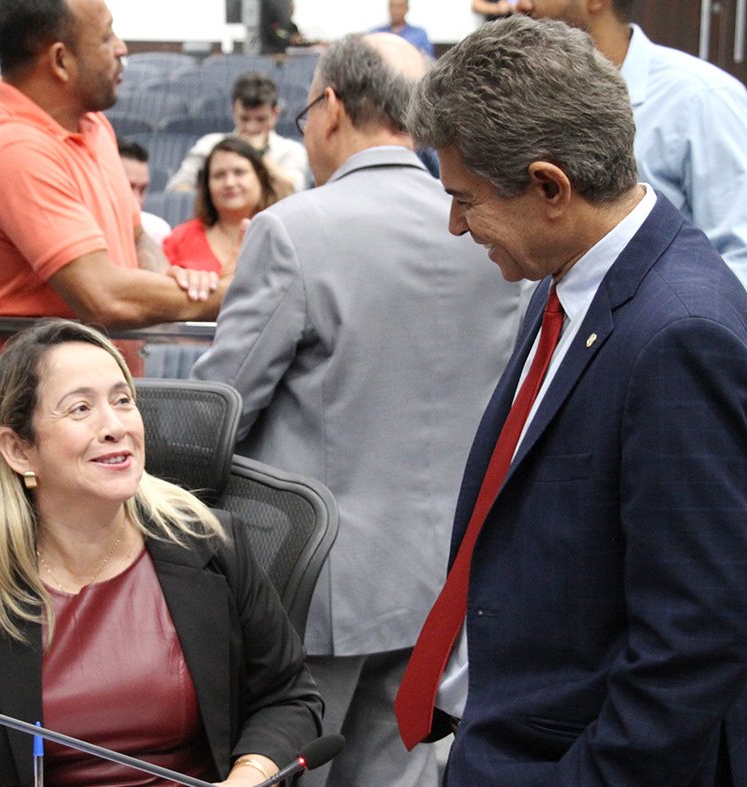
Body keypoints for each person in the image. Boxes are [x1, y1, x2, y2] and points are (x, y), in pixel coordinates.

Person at [393, 17, 747, 785]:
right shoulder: (569, 277)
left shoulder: (680, 337)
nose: (455, 224)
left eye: (465, 199)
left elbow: (698, 640)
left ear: (549, 187)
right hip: (506, 730)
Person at [191, 32, 524, 787]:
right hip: (444, 574)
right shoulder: (487, 224)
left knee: (283, 769)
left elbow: (220, 412)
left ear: (331, 107)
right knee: (399, 772)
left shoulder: (293, 228)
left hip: (316, 585)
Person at [0, 319, 322, 787]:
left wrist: (247, 778)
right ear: (18, 450)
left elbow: (288, 698)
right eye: (80, 408)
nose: (115, 426)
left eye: (123, 400)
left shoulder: (209, 543)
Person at [0, 0, 228, 459]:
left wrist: (172, 279)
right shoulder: (12, 148)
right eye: (106, 37)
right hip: (27, 440)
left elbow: (135, 235)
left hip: (93, 422)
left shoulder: (94, 124)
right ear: (61, 60)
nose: (122, 49)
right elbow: (103, 297)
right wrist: (228, 292)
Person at [514, 0, 747, 328]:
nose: (520, 5)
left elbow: (745, 268)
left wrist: (690, 350)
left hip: (651, 347)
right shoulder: (526, 96)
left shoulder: (703, 98)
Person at [166, 71, 308, 197]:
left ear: (275, 114)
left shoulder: (291, 150)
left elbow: (292, 195)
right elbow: (176, 190)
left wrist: (258, 153)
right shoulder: (209, 145)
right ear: (234, 111)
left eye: (261, 119)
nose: (251, 127)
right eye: (244, 118)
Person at [163, 137, 278, 275]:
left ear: (260, 178)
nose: (229, 183)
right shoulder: (180, 238)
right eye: (219, 175)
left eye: (239, 172)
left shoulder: (282, 234)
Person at [117, 138, 171, 244]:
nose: (138, 200)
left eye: (142, 190)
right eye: (128, 188)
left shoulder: (157, 231)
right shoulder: (84, 227)